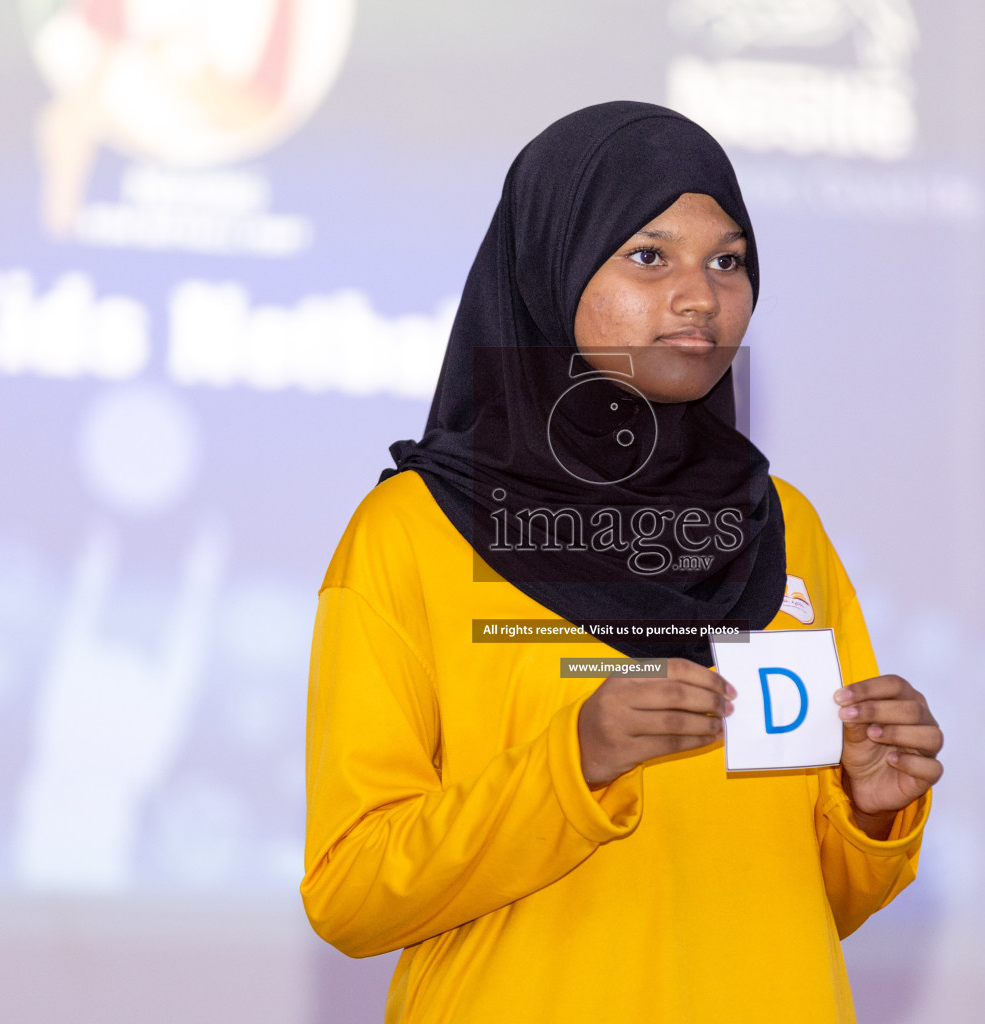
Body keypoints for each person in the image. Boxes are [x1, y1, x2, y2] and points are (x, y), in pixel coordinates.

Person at [302, 101, 944, 1024]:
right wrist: (574, 767)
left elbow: (810, 900)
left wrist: (868, 807)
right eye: (649, 256)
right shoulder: (413, 531)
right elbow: (352, 890)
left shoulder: (780, 528)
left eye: (727, 260)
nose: (699, 296)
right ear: (549, 267)